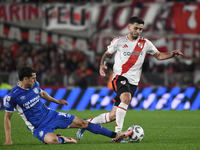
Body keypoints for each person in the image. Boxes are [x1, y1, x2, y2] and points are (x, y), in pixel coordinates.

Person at [76, 16, 183, 142]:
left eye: (140, 29)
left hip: (133, 82)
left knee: (113, 115)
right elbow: (107, 54)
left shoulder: (145, 43)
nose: (137, 31)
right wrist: (102, 64)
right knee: (126, 98)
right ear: (129, 27)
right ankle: (117, 135)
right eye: (136, 28)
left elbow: (158, 55)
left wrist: (171, 55)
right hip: (119, 77)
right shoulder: (119, 41)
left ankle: (85, 123)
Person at [3, 66, 133, 145]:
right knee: (52, 141)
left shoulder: (34, 85)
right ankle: (63, 139)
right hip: (38, 126)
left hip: (51, 115)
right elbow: (7, 118)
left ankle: (115, 135)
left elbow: (42, 93)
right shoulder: (13, 96)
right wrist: (9, 140)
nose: (36, 80)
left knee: (83, 123)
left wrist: (57, 101)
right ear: (25, 79)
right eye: (33, 78)